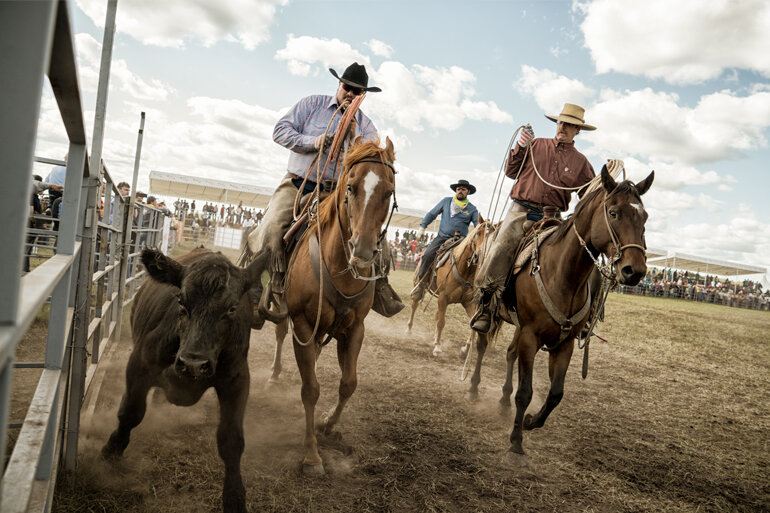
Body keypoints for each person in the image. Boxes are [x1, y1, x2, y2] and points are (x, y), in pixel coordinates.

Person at [244, 62, 404, 320]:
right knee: (272, 226)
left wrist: (353, 140)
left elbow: (371, 162)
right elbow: (279, 131)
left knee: (373, 234)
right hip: (299, 184)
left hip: (341, 193)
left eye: (357, 91)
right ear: (339, 85)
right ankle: (257, 286)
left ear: (362, 96)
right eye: (347, 87)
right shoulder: (311, 105)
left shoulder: (365, 126)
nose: (350, 94)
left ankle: (379, 285)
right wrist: (315, 141)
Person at [471, 103, 597, 333]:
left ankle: (585, 316)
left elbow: (589, 196)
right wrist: (520, 145)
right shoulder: (536, 145)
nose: (564, 127)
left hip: (554, 218)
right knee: (502, 247)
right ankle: (486, 305)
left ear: (578, 130)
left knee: (580, 257)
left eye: (570, 125)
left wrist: (604, 181)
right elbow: (511, 171)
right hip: (521, 210)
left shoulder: (582, 164)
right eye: (562, 122)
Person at [410, 179, 479, 301]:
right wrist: (422, 227)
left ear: (468, 191)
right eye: (458, 189)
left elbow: (478, 225)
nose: (460, 191)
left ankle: (474, 288)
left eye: (463, 189)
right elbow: (432, 214)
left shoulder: (472, 209)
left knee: (475, 260)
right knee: (427, 256)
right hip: (442, 238)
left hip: (461, 241)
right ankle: (421, 284)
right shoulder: (446, 201)